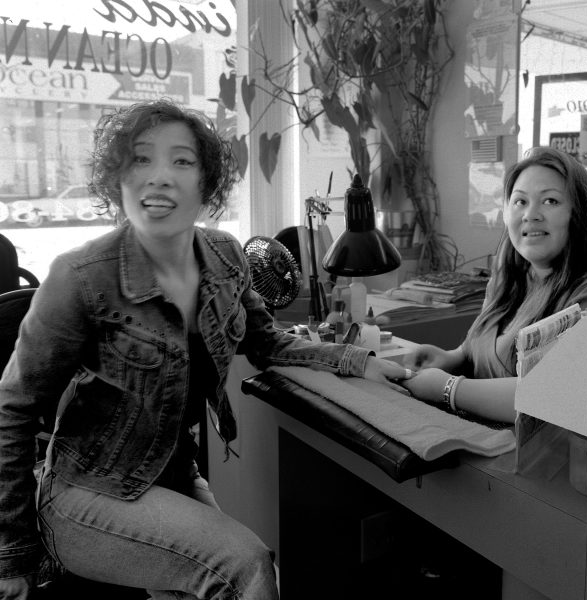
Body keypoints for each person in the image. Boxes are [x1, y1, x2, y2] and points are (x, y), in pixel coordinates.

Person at [0, 99, 411, 600]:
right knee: (244, 567)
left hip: (174, 474)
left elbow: (266, 342)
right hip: (89, 491)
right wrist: (12, 554)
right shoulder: (81, 276)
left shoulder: (225, 255)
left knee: (247, 578)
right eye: (142, 159)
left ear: (204, 181)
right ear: (119, 178)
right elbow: (12, 410)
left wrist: (358, 361)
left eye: (181, 161)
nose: (160, 177)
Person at [400, 147, 587, 423]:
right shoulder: (512, 271)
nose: (531, 214)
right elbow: (481, 344)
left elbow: (550, 397)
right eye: (520, 201)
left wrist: (448, 388)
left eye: (550, 201)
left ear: (579, 213)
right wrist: (452, 357)